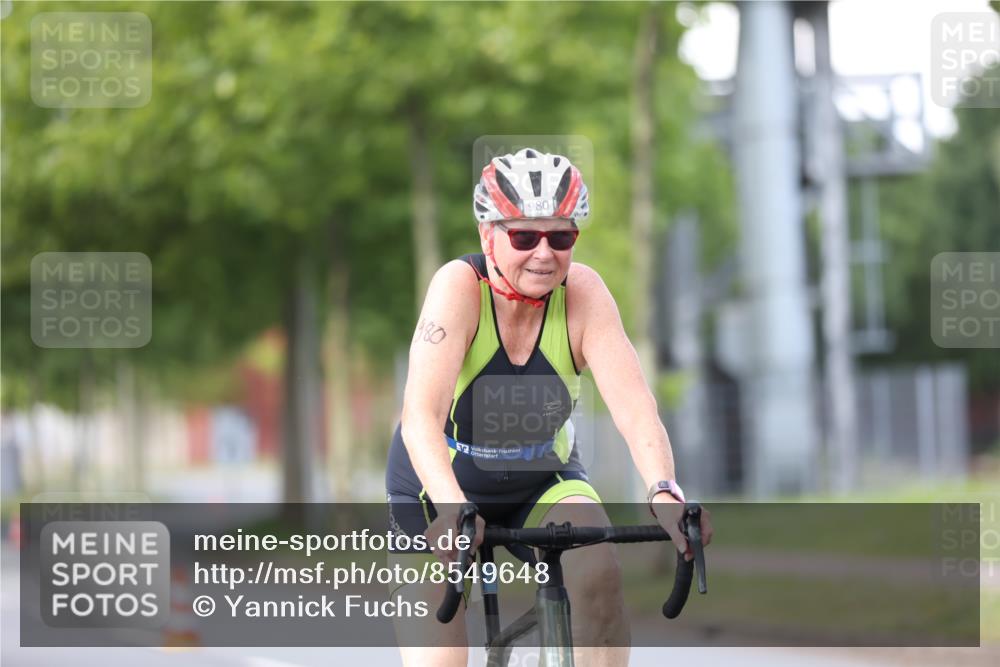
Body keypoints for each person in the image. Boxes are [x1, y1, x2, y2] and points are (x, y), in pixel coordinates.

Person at [385, 148, 713, 666]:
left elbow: (634, 406)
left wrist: (664, 490)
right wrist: (451, 509)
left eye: (561, 238)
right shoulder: (457, 287)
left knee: (598, 571)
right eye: (524, 237)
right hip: (438, 486)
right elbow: (419, 417)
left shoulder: (584, 293)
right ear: (488, 235)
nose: (544, 253)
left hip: (540, 477)